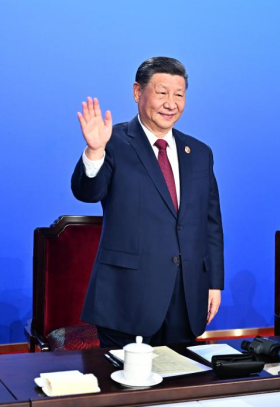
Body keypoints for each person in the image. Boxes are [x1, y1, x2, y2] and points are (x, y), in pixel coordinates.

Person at [71, 57, 225, 347]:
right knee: (121, 376)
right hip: (127, 299)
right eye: (162, 92)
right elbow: (88, 192)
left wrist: (214, 283)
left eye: (179, 95)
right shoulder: (112, 141)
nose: (171, 103)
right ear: (137, 92)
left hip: (186, 298)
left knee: (182, 376)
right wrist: (94, 152)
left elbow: (211, 224)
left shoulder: (199, 153)